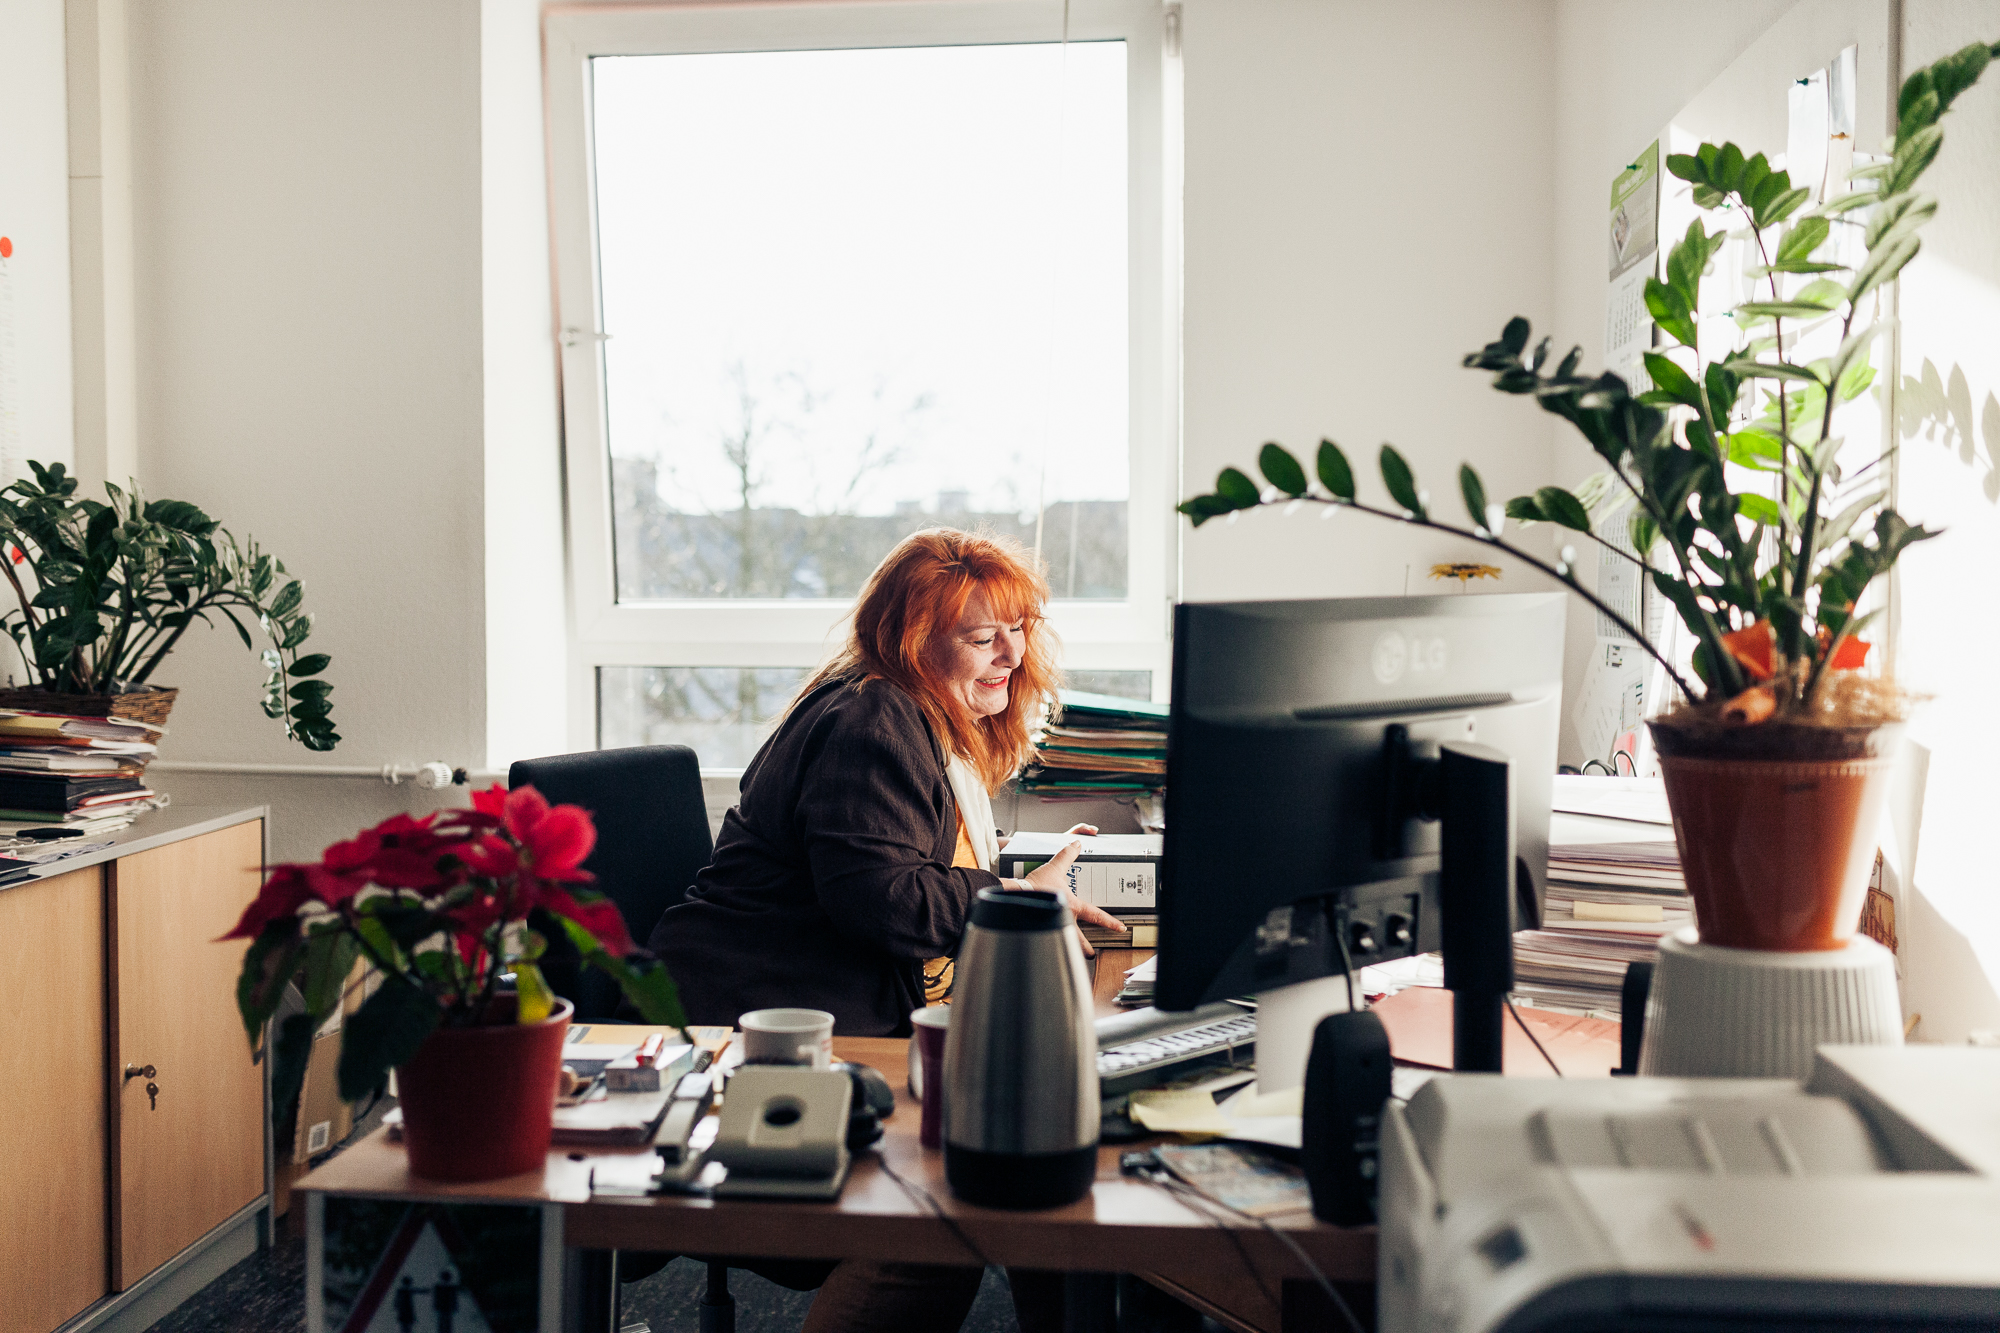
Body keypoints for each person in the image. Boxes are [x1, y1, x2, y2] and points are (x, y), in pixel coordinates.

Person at [646, 527, 1125, 1333]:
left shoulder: (913, 714)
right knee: (947, 1199)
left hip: (828, 1006)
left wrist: (1012, 893)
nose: (1010, 655)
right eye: (982, 637)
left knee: (1035, 1140)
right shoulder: (876, 719)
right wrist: (1011, 900)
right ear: (914, 643)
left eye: (1020, 629)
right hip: (767, 1024)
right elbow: (883, 897)